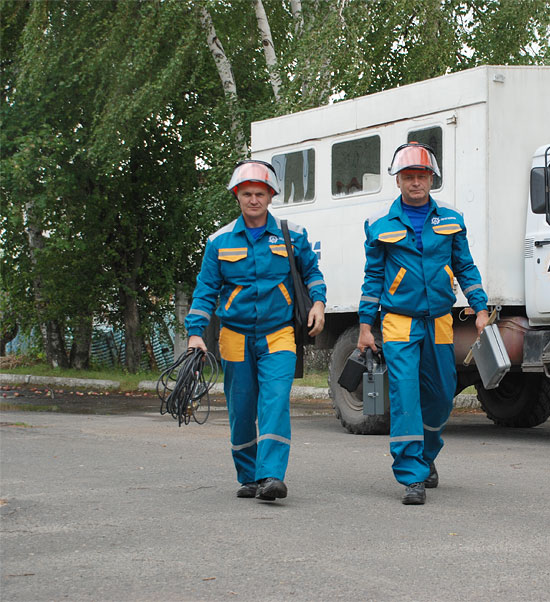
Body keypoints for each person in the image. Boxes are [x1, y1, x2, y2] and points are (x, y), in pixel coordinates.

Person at [185, 159, 326, 502]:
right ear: (237, 195)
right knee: (242, 407)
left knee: (276, 401)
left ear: (271, 195)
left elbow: (312, 274)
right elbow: (205, 290)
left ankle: (271, 476)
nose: (253, 200)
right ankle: (248, 476)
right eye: (246, 193)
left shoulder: (293, 235)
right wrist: (195, 332)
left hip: (278, 332)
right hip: (233, 335)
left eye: (260, 193)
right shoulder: (218, 242)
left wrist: (319, 303)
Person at [357, 143, 489, 505]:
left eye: (422, 176)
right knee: (405, 398)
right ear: (398, 181)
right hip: (399, 321)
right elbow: (372, 278)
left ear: (432, 180)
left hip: (441, 320)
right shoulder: (379, 225)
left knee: (442, 396)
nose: (416, 183)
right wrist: (366, 325)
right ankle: (411, 476)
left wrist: (480, 308)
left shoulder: (451, 220)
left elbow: (465, 267)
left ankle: (426, 455)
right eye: (409, 177)